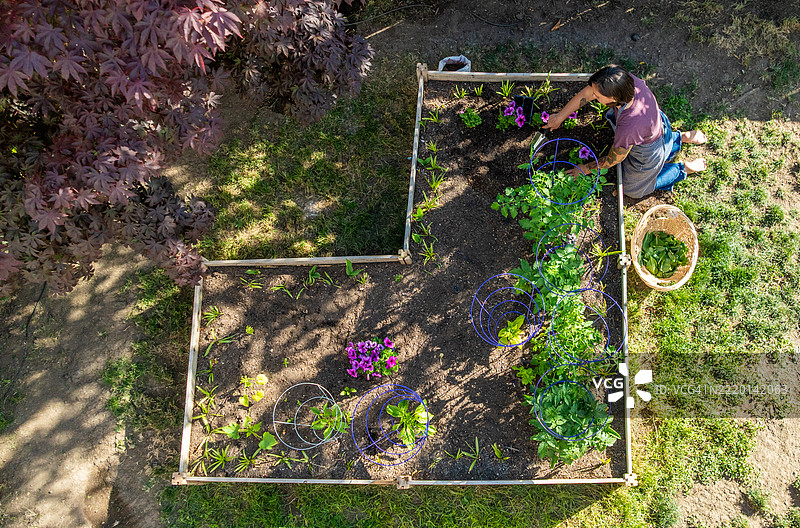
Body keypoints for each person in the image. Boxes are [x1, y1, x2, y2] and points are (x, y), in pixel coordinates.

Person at [543, 65, 706, 198]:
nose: (593, 96)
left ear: (613, 98)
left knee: (633, 190)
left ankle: (682, 169)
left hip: (648, 151)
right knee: (651, 135)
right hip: (658, 125)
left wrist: (584, 169)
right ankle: (678, 138)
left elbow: (613, 159)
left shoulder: (629, 127)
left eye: (597, 96)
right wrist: (560, 117)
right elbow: (587, 92)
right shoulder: (625, 81)